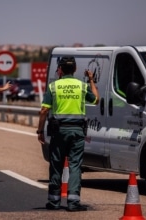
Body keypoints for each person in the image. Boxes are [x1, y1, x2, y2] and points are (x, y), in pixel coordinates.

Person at [37, 56, 99, 211]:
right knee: (75, 166)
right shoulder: (82, 86)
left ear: (60, 69)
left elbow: (44, 110)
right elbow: (96, 100)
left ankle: (54, 202)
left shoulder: (53, 87)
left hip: (59, 132)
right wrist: (91, 80)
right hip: (77, 131)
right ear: (75, 69)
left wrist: (40, 131)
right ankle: (73, 203)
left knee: (56, 165)